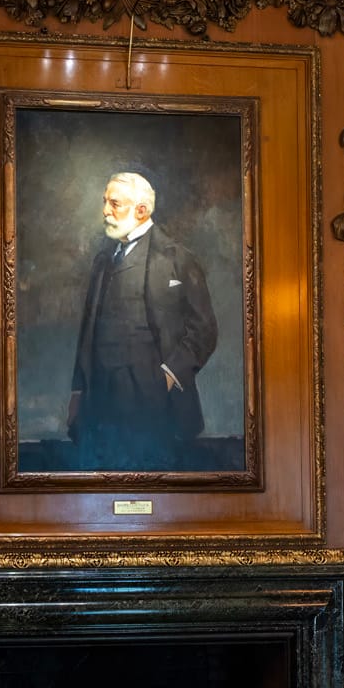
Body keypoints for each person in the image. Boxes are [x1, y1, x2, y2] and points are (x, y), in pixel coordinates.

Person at [67, 171, 218, 471]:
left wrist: (169, 375)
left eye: (114, 203)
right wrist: (78, 391)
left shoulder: (178, 259)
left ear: (141, 210)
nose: (105, 211)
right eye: (104, 202)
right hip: (101, 404)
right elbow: (88, 334)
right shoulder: (103, 262)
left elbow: (204, 330)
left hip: (155, 403)